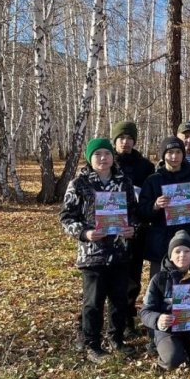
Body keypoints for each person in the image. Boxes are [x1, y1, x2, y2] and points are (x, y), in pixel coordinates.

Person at [60, 138, 138, 363]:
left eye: (107, 153)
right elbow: (66, 217)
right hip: (92, 254)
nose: (103, 158)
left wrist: (132, 229)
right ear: (89, 158)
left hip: (120, 252)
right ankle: (91, 343)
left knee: (119, 299)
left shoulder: (124, 183)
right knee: (93, 301)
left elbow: (133, 213)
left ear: (113, 156)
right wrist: (85, 233)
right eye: (97, 154)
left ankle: (116, 339)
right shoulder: (79, 184)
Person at [138, 137, 190, 278]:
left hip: (189, 243)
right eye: (170, 152)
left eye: (178, 152)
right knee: (160, 288)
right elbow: (141, 212)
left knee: (188, 290)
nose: (174, 156)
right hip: (161, 245)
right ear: (163, 155)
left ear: (183, 154)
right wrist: (155, 206)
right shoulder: (153, 180)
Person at [141, 231, 190, 371]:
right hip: (168, 329)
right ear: (170, 255)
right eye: (177, 251)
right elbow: (145, 312)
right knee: (172, 359)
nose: (182, 255)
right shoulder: (159, 279)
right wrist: (158, 319)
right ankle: (165, 355)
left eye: (187, 251)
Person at [111, 121, 156, 338]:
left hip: (137, 229)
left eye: (129, 139)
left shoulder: (145, 166)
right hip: (110, 230)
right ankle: (114, 317)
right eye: (121, 138)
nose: (125, 142)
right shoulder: (106, 162)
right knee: (112, 276)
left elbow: (151, 196)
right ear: (115, 141)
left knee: (133, 277)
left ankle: (129, 316)